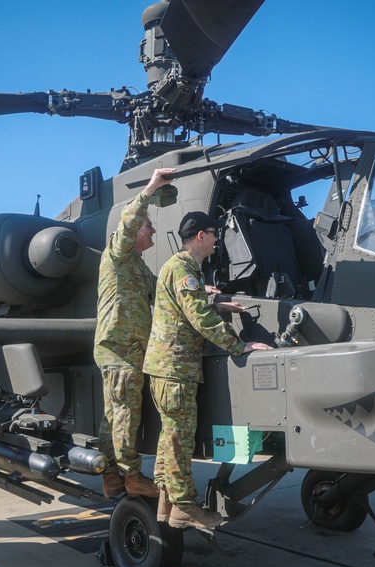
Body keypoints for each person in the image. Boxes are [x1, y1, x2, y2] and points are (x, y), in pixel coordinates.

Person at [144, 211, 273, 530]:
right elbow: (199, 318)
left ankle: (166, 501)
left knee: (170, 436)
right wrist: (238, 345)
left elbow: (186, 308)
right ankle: (185, 507)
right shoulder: (184, 269)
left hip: (168, 368)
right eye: (214, 234)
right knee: (179, 438)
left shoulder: (181, 268)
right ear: (200, 236)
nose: (217, 240)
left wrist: (216, 305)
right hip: (176, 369)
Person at [93, 168, 177, 499]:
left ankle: (111, 476)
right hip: (119, 347)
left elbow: (165, 294)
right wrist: (152, 187)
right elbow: (129, 222)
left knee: (114, 415)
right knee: (127, 412)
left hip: (128, 349)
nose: (153, 229)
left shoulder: (138, 267)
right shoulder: (118, 253)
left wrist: (207, 295)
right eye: (148, 225)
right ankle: (132, 476)